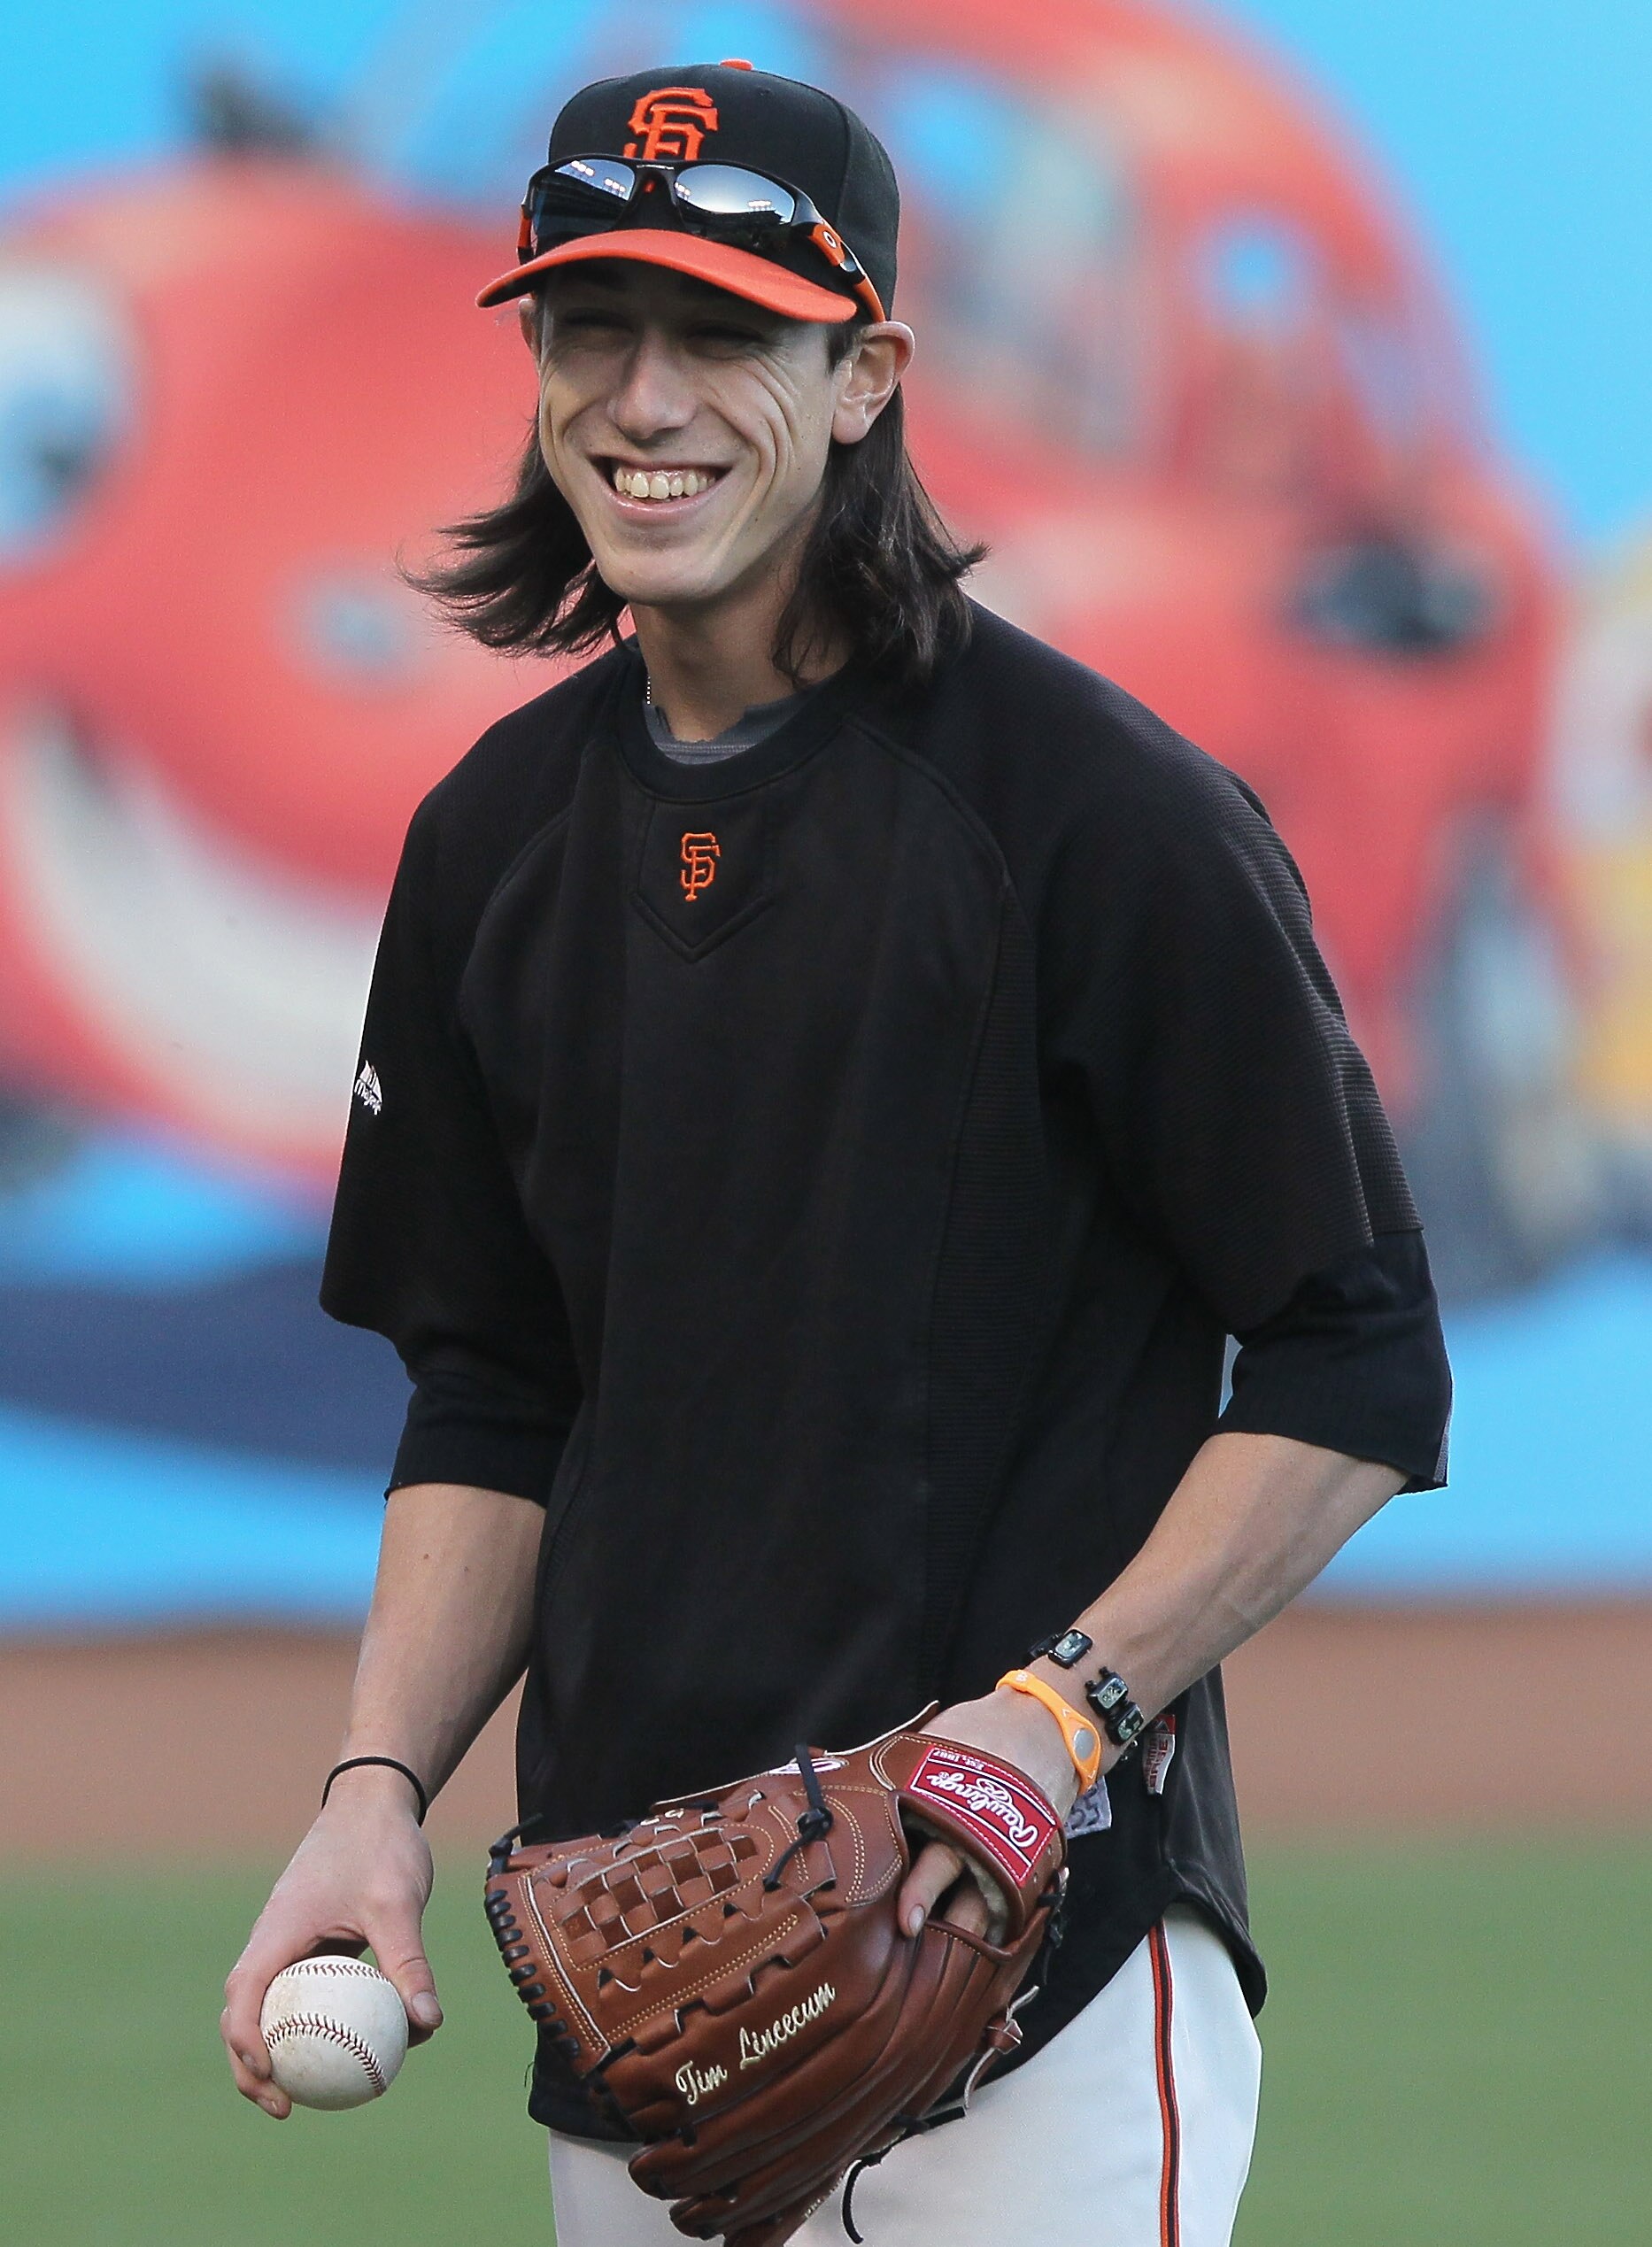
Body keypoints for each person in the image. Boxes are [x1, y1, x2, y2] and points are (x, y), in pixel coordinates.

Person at [220, 58, 1451, 2247]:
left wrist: (1057, 1724)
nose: (644, 395)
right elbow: (494, 1394)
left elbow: (1357, 1359)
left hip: (1036, 1979)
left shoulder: (1102, 821)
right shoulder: (489, 845)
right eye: (592, 326)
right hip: (642, 1993)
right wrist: (376, 1796)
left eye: (721, 333)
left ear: (865, 371)